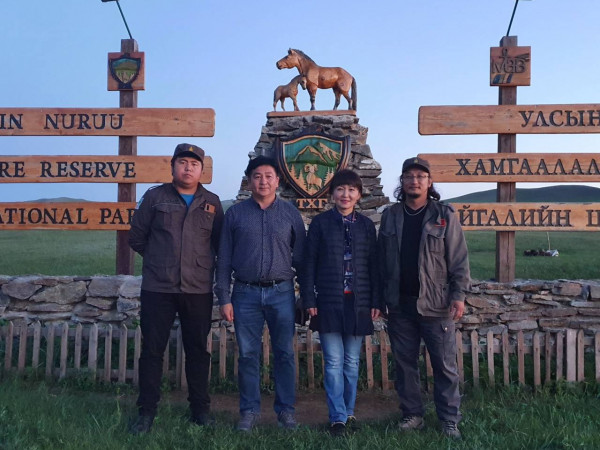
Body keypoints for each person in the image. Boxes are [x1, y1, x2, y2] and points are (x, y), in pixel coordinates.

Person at [128, 143, 224, 434]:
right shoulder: (155, 197)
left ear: (201, 170)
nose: (188, 168)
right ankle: (146, 413)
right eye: (182, 162)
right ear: (172, 167)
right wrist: (160, 261)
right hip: (159, 288)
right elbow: (137, 237)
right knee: (152, 351)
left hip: (198, 289)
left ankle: (200, 410)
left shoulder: (212, 202)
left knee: (198, 352)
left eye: (194, 164)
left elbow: (219, 243)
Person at [377, 156, 470, 440]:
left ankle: (449, 420)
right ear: (402, 182)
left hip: (436, 304)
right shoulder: (391, 215)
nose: (414, 181)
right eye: (409, 176)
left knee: (444, 366)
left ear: (429, 182)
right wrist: (381, 298)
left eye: (420, 176)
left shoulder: (444, 214)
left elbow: (459, 259)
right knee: (405, 365)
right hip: (399, 304)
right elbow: (381, 261)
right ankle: (412, 415)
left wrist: (458, 295)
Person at [215, 155, 306, 432]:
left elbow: (302, 258)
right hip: (245, 293)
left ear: (278, 181)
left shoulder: (290, 214)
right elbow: (224, 259)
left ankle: (286, 411)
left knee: (285, 354)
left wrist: (305, 296)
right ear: (249, 181)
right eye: (257, 176)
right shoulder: (235, 214)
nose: (263, 181)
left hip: (282, 293)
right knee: (247, 355)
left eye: (268, 176)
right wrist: (224, 298)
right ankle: (249, 411)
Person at [301, 169, 381, 437]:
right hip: (328, 301)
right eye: (340, 189)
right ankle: (337, 417)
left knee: (351, 362)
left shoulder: (366, 226)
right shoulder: (320, 223)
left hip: (358, 303)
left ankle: (349, 411)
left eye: (351, 190)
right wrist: (309, 298)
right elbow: (308, 263)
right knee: (333, 362)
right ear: (332, 193)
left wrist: (376, 300)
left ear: (359, 195)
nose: (345, 194)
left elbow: (374, 266)